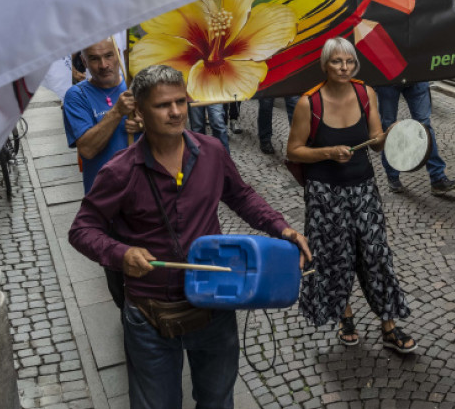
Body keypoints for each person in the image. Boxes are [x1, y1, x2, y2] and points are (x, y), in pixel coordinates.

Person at [69, 65, 311, 409]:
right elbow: (82, 229)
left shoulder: (211, 151)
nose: (176, 112)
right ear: (138, 110)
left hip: (214, 304)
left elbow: (241, 195)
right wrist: (120, 253)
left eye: (181, 101)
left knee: (216, 401)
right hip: (150, 316)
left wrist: (283, 228)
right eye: (163, 105)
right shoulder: (119, 171)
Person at [286, 37, 416, 354]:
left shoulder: (364, 93)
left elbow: (375, 142)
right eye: (336, 61)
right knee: (334, 258)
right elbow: (293, 151)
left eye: (349, 62)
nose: (344, 67)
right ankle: (345, 316)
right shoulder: (309, 103)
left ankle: (388, 325)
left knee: (376, 255)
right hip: (324, 194)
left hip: (364, 188)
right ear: (325, 64)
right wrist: (328, 152)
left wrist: (390, 136)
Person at [62, 38, 140, 195]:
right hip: (104, 196)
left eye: (109, 55)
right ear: (84, 61)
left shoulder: (137, 87)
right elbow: (87, 149)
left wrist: (145, 125)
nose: (103, 65)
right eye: (94, 58)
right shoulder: (77, 96)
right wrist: (117, 112)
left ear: (118, 55)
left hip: (141, 191)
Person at [373, 81, 455, 195]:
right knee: (389, 127)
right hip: (388, 80)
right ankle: (392, 176)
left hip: (417, 78)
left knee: (424, 126)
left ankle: (437, 178)